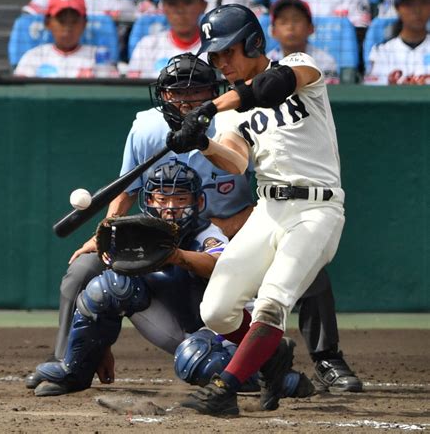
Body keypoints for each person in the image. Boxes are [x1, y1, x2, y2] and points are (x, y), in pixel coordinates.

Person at [25, 53, 360, 396]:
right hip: (157, 233)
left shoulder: (232, 115)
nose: (186, 100)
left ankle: (326, 359)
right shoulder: (148, 127)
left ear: (211, 92)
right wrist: (107, 232)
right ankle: (71, 360)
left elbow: (259, 193)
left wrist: (218, 224)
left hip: (230, 227)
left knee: (305, 264)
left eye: (196, 92)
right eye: (176, 93)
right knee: (84, 270)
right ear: (163, 96)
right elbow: (128, 191)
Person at [165, 3, 352, 415]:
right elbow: (234, 161)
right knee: (215, 309)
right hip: (269, 209)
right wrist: (201, 143)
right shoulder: (231, 116)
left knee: (272, 301)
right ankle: (272, 356)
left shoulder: (300, 64)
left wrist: (211, 107)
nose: (221, 62)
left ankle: (224, 387)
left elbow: (274, 84)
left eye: (228, 51)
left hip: (316, 210)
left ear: (254, 41)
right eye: (214, 56)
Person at [30, 160, 313, 399]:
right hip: (176, 323)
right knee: (109, 288)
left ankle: (274, 375)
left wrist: (177, 257)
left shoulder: (207, 232)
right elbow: (108, 299)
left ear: (198, 201)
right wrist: (99, 347)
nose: (170, 208)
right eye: (162, 199)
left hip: (223, 330)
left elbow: (219, 264)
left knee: (197, 358)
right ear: (148, 201)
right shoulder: (134, 233)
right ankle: (76, 371)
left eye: (180, 200)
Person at [14, 0, 118, 78]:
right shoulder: (33, 57)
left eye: (74, 21)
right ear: (47, 23)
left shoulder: (98, 56)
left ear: (84, 24)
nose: (68, 27)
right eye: (62, 21)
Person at [127, 0, 208, 78]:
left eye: (187, 2)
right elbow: (133, 91)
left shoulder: (214, 48)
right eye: (172, 3)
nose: (180, 10)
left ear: (203, 5)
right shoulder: (147, 46)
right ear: (163, 7)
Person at [365, 0, 430, 85]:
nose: (417, 10)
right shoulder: (381, 52)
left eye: (423, 3)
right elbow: (372, 95)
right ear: (397, 8)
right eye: (409, 4)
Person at [267, 0, 339, 84]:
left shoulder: (325, 61)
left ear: (311, 28)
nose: (290, 27)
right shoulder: (268, 62)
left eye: (296, 20)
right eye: (283, 22)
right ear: (273, 31)